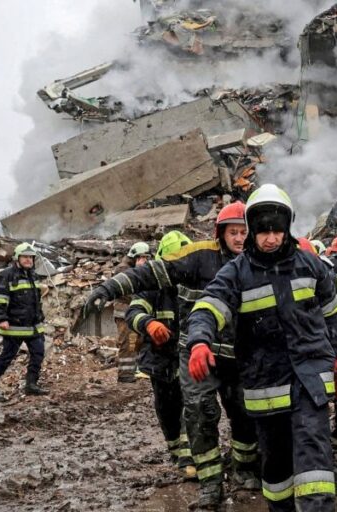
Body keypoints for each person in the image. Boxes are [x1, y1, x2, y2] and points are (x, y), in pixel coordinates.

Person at [85, 203, 260, 509]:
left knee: (245, 412)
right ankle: (210, 482)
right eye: (233, 232)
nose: (239, 238)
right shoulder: (198, 257)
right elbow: (149, 273)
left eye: (244, 232)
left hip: (238, 356)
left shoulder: (259, 262)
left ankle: (244, 469)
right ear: (220, 233)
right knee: (199, 413)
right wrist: (108, 289)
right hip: (197, 353)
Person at [185, 185, 337, 512]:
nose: (271, 239)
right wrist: (199, 341)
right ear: (252, 231)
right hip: (266, 383)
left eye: (277, 231)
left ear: (288, 229)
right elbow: (208, 307)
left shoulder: (309, 265)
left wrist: (336, 353)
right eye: (263, 232)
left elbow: (332, 311)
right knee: (276, 467)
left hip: (309, 377)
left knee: (315, 459)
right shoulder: (237, 272)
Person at [122, 231, 199, 481]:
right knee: (167, 410)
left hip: (188, 358)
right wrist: (148, 323)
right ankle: (176, 452)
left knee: (192, 405)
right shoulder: (151, 285)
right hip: (160, 360)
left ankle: (189, 457)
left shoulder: (197, 283)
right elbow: (133, 312)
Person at [0, 242, 47, 401]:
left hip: (34, 326)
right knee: (7, 357)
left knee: (38, 353)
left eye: (31, 257)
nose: (28, 260)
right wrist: (1, 319)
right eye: (25, 257)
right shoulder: (6, 275)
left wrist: (40, 316)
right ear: (17, 258)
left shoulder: (33, 275)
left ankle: (31, 384)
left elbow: (36, 300)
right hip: (14, 326)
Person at [115, 242, 151, 383]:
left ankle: (136, 370)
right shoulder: (123, 270)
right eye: (142, 257)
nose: (145, 261)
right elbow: (128, 292)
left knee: (137, 342)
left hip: (134, 313)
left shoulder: (136, 270)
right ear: (135, 257)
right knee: (128, 344)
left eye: (146, 257)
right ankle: (125, 374)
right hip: (124, 314)